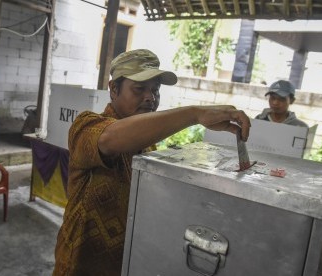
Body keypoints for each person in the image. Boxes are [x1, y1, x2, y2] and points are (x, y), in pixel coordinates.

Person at [52, 49, 251, 276]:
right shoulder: (86, 127)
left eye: (155, 90)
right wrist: (195, 114)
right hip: (80, 266)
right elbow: (110, 138)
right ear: (113, 89)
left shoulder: (148, 146)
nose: (150, 97)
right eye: (139, 89)